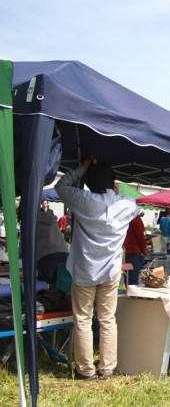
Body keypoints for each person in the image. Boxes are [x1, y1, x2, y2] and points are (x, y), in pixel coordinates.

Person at [55, 159, 139, 380]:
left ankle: (85, 370)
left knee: (82, 319)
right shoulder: (127, 203)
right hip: (110, 270)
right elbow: (137, 211)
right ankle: (107, 368)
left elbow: (61, 186)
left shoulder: (83, 200)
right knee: (107, 318)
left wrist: (81, 169)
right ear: (113, 182)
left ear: (89, 182)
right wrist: (117, 193)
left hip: (85, 268)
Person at [34, 208, 69, 284]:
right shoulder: (52, 219)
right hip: (63, 252)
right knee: (61, 284)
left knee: (45, 284)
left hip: (45, 255)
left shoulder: (32, 220)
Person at [123, 212, 148, 285]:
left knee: (128, 279)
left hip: (127, 252)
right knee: (133, 281)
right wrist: (144, 250)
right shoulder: (136, 220)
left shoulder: (127, 219)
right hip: (134, 253)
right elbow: (141, 238)